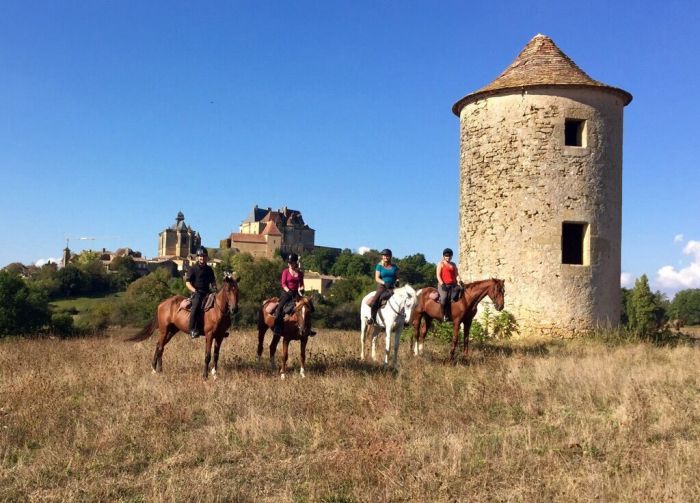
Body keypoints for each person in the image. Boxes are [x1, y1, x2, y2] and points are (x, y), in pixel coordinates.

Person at [273, 253, 315, 337]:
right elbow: (283, 284)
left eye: (291, 262)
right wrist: (288, 291)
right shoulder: (285, 272)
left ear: (296, 262)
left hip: (296, 293)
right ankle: (277, 327)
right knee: (280, 307)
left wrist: (302, 288)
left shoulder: (300, 273)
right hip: (286, 293)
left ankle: (309, 328)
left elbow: (301, 284)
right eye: (289, 262)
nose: (290, 264)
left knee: (309, 307)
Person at [186, 247, 216, 339]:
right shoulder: (193, 269)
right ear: (197, 257)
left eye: (203, 256)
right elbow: (187, 283)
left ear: (206, 257)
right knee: (195, 307)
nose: (202, 258)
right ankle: (191, 329)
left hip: (208, 292)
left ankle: (219, 328)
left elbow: (213, 282)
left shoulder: (209, 269)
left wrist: (215, 288)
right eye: (200, 256)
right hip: (197, 292)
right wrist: (194, 290)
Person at [368, 249, 399, 325]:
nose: (385, 257)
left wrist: (397, 281)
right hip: (382, 286)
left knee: (402, 299)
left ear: (390, 256)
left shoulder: (394, 267)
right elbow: (377, 278)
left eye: (387, 256)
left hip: (392, 286)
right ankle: (372, 318)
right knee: (374, 300)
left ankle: (403, 319)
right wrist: (384, 282)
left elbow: (397, 277)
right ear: (382, 256)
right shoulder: (379, 266)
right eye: (384, 255)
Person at [436, 248, 462, 321]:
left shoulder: (453, 264)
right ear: (444, 256)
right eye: (447, 255)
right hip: (443, 285)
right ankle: (442, 314)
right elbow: (438, 275)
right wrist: (442, 284)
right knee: (444, 298)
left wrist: (460, 281)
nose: (448, 257)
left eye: (450, 256)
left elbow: (456, 274)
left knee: (459, 295)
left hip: (453, 285)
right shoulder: (440, 264)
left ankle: (455, 313)